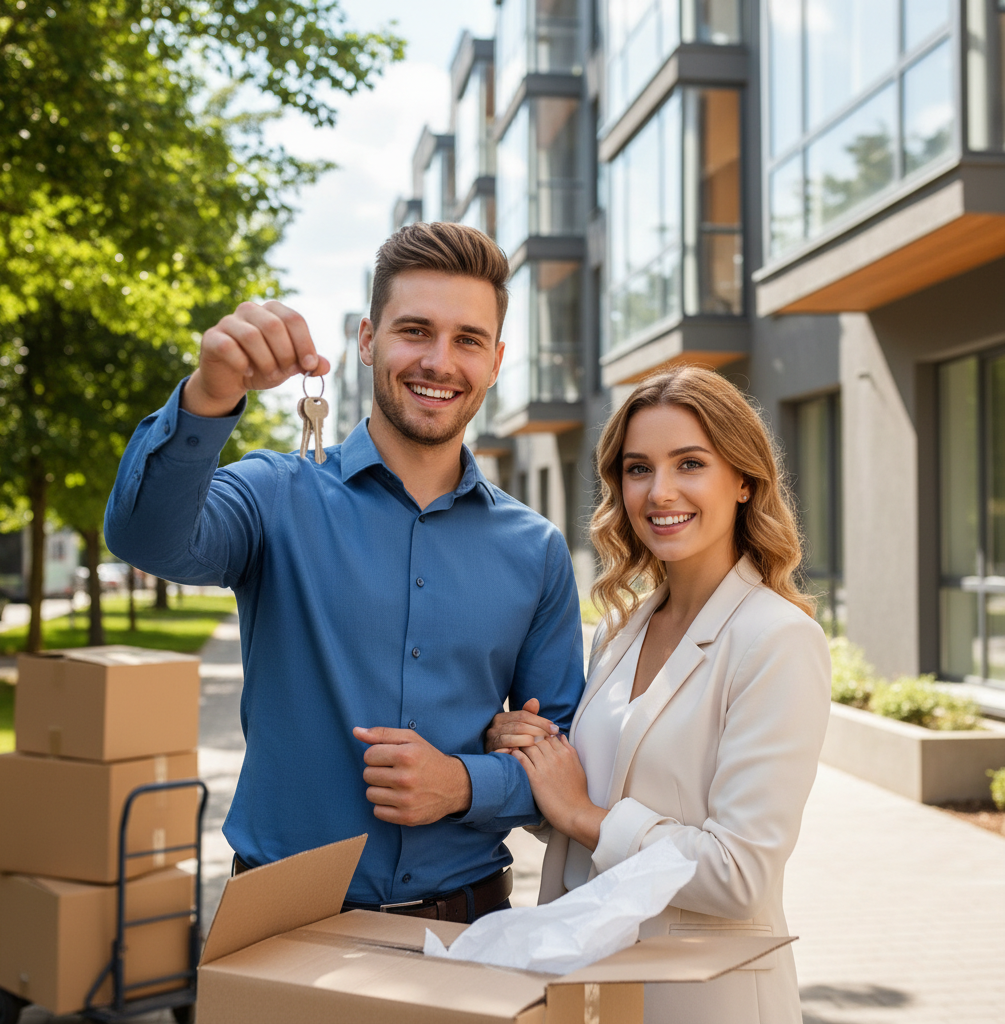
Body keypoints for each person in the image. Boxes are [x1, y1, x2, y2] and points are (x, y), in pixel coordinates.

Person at [104, 222, 585, 922]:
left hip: (469, 928)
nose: (439, 361)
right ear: (367, 341)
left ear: (496, 359)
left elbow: (564, 761)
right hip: (282, 920)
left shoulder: (536, 549)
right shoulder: (275, 494)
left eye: (468, 340)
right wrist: (210, 392)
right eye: (414, 330)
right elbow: (145, 535)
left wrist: (462, 784)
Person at [487, 367, 831, 1023]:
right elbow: (588, 811)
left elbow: (738, 875)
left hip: (703, 1001)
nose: (659, 491)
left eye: (690, 463)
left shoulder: (777, 640)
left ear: (743, 480)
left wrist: (583, 814)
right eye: (638, 468)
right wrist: (531, 757)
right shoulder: (620, 631)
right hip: (593, 991)